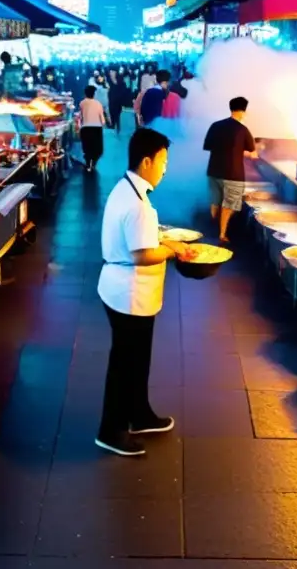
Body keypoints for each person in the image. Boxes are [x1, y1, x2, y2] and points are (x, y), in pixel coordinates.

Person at [96, 128, 188, 456]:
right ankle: (112, 430)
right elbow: (142, 254)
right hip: (129, 295)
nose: (165, 168)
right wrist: (175, 249)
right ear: (146, 161)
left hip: (125, 291)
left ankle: (139, 413)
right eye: (163, 161)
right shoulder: (137, 205)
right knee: (125, 363)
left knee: (136, 359)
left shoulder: (128, 189)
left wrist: (161, 239)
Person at [203, 97, 258, 243]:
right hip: (233, 174)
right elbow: (252, 153)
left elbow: (208, 146)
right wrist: (241, 151)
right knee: (229, 205)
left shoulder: (215, 125)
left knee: (215, 201)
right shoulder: (243, 129)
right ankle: (221, 234)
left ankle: (211, 224)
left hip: (214, 171)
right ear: (243, 111)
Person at [79, 85, 108, 172]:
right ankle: (94, 163)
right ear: (94, 94)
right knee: (97, 148)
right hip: (96, 128)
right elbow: (102, 119)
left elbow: (81, 117)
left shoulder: (82, 103)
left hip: (85, 128)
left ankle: (88, 163)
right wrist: (103, 123)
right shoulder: (98, 104)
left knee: (87, 147)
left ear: (85, 94)